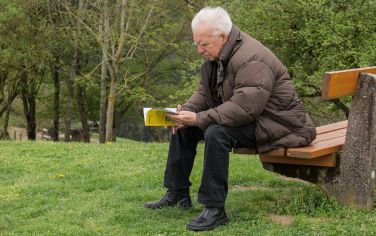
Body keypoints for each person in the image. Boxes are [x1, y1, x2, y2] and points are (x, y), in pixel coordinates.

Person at [144, 6, 316, 232]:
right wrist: (187, 111)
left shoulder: (251, 58)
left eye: (203, 44)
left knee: (217, 132)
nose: (199, 50)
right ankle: (177, 193)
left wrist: (199, 117)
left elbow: (245, 108)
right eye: (196, 43)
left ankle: (214, 209)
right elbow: (205, 94)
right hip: (256, 119)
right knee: (184, 125)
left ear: (223, 37)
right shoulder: (218, 55)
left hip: (282, 125)